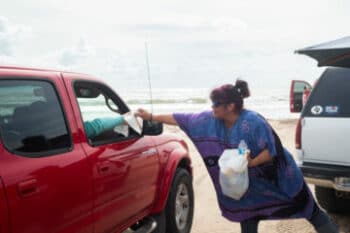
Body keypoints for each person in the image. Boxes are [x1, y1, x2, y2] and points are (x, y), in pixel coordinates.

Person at [136, 80, 338, 233]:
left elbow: (271, 152)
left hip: (280, 180)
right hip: (250, 186)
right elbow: (180, 118)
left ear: (230, 106)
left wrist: (252, 162)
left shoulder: (253, 122)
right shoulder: (208, 120)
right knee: (248, 215)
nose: (212, 106)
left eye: (216, 103)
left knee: (310, 211)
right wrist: (151, 117)